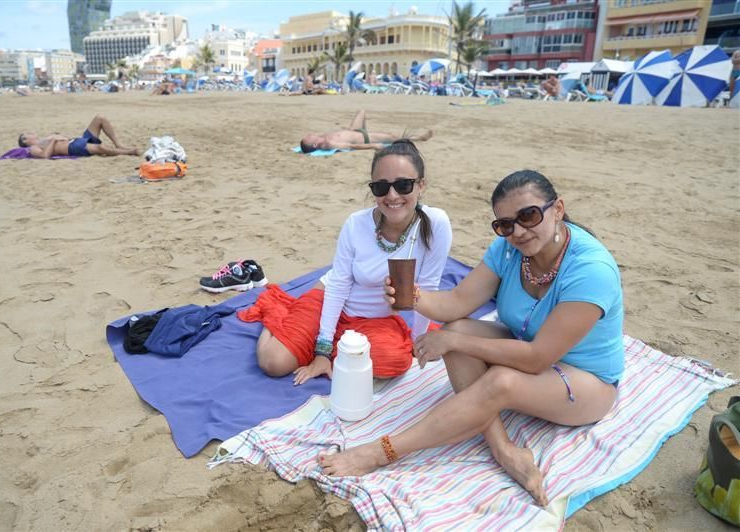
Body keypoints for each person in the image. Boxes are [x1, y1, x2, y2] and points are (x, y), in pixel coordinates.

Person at [320, 170, 625, 506]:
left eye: (529, 215)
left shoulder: (591, 269)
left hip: (585, 381)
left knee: (498, 379)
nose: (519, 231)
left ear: (558, 209)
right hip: (527, 347)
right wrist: (414, 296)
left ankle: (383, 451)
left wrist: (453, 343)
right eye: (506, 224)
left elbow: (538, 357)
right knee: (457, 329)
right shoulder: (509, 251)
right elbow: (456, 304)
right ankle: (504, 449)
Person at [238, 140, 452, 385]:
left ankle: (312, 338)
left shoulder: (435, 224)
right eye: (381, 187)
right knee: (273, 363)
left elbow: (429, 285)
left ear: (421, 185)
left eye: (403, 185)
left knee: (392, 363)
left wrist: (418, 342)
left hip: (376, 321)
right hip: (330, 302)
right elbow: (338, 285)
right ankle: (279, 310)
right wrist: (322, 351)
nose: (392, 196)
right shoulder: (356, 224)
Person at [300, 110, 433, 154]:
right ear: (315, 145)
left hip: (354, 130)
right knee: (392, 137)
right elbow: (352, 147)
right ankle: (420, 138)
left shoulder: (322, 138)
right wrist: (373, 146)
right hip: (363, 137)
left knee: (362, 112)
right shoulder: (328, 143)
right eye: (309, 138)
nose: (309, 135)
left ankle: (368, 131)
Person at [18, 115, 139, 158]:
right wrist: (53, 140)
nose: (30, 133)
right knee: (101, 148)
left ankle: (118, 144)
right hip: (72, 148)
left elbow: (62, 138)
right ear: (26, 140)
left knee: (99, 118)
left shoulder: (43, 140)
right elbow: (45, 156)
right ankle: (128, 152)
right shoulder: (33, 148)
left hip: (76, 140)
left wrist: (56, 137)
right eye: (27, 135)